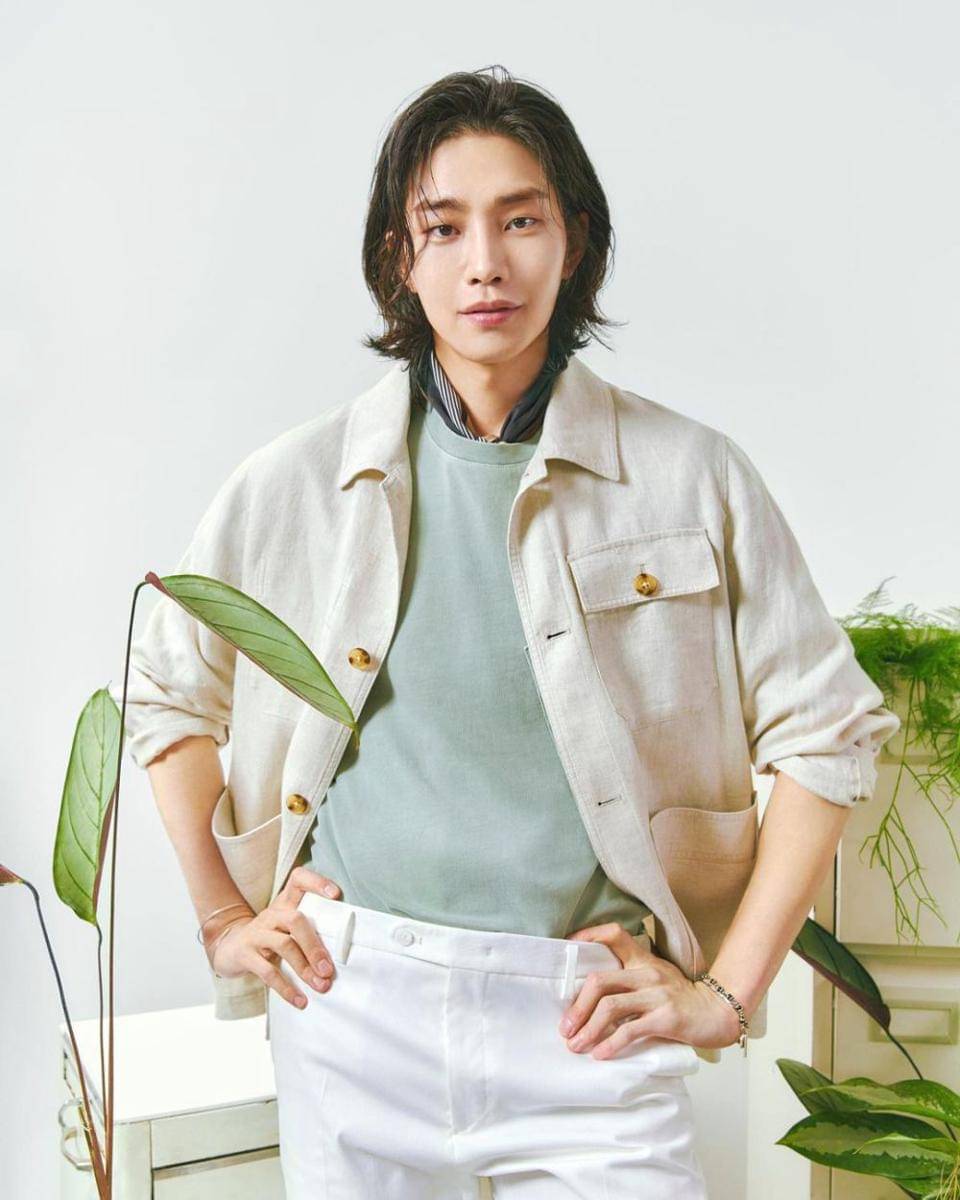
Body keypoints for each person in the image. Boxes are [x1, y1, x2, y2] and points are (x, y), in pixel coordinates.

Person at [120, 65, 900, 1198]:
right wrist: (223, 919)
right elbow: (164, 692)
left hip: (588, 1018)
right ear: (400, 258)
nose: (484, 262)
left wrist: (726, 996)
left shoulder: (691, 476)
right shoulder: (291, 487)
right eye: (444, 227)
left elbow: (829, 733)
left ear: (573, 240)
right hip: (353, 1001)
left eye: (520, 220)